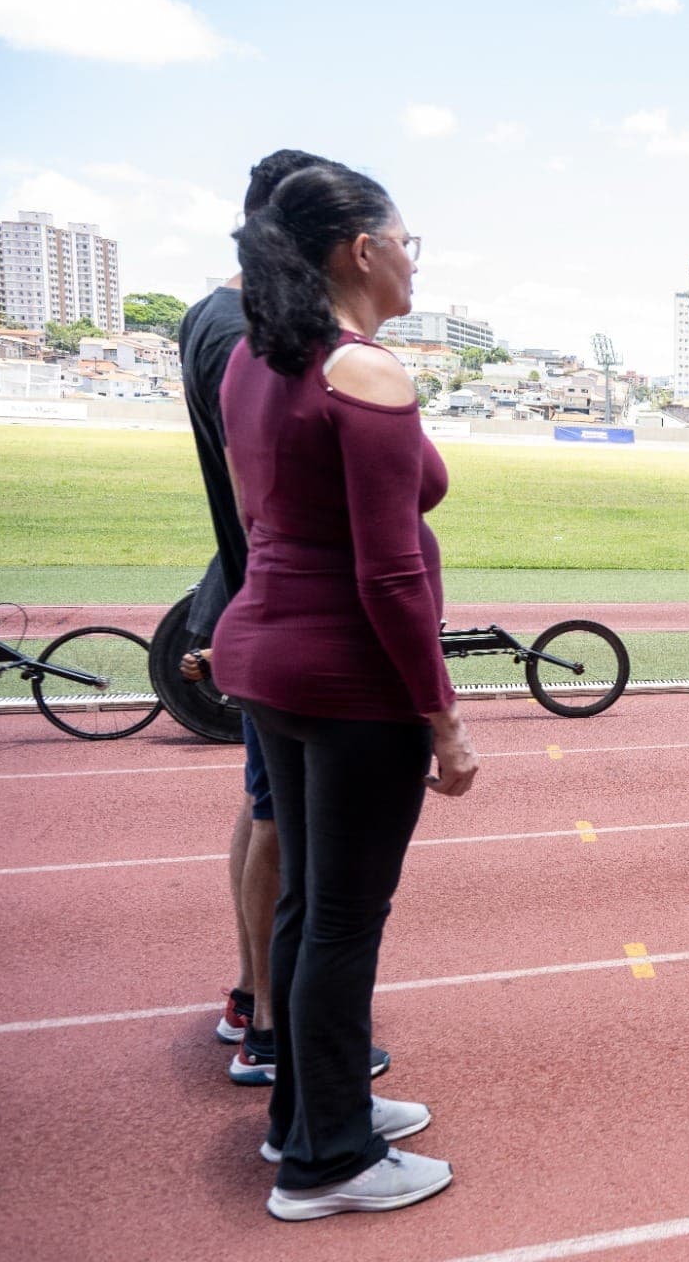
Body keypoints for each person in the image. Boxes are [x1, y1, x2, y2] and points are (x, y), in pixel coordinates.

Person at [215, 162, 477, 1219]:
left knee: (306, 904)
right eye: (408, 239)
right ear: (359, 250)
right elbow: (390, 570)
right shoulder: (364, 373)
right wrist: (443, 719)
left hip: (268, 657)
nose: (418, 258)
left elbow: (259, 519)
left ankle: (303, 1110)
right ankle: (328, 1159)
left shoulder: (250, 359)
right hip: (351, 679)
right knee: (342, 921)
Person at [174, 148, 368, 1080]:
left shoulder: (226, 321)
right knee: (285, 830)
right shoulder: (243, 333)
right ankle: (268, 1031)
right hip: (284, 616)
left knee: (268, 817)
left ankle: (255, 1004)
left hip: (256, 604)